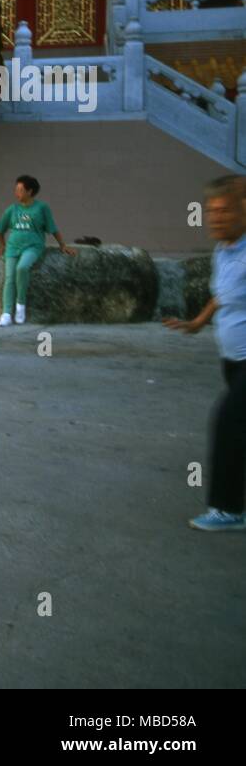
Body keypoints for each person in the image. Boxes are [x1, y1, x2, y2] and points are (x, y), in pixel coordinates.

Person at [165, 175, 246, 532]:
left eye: (223, 210)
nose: (213, 217)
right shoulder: (224, 250)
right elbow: (222, 295)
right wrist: (197, 322)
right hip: (232, 361)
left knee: (228, 422)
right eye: (211, 210)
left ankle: (227, 509)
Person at [0, 175, 77, 327]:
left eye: (20, 190)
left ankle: (20, 306)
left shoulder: (41, 208)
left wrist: (62, 245)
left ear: (30, 191)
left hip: (33, 246)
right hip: (12, 247)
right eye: (16, 189)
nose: (16, 193)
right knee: (10, 277)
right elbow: (0, 228)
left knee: (22, 267)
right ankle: (6, 313)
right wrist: (2, 244)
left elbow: (52, 228)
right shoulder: (12, 209)